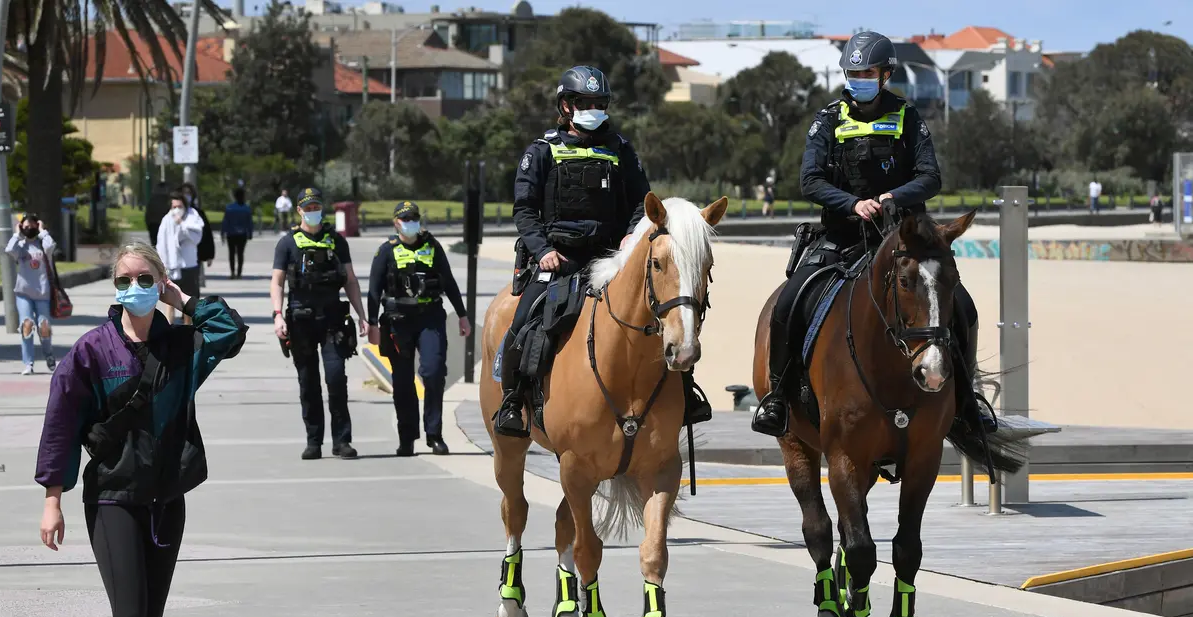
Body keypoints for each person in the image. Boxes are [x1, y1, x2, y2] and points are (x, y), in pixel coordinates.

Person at [751, 30, 993, 442]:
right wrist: (851, 203)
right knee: (788, 302)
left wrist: (892, 196)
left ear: (885, 75)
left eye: (867, 71)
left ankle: (967, 403)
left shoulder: (908, 116)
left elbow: (930, 177)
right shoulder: (827, 119)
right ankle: (777, 397)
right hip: (842, 237)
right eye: (853, 71)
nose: (858, 77)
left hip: (905, 239)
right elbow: (809, 180)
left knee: (964, 307)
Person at [35, 242, 247, 617]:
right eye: (124, 281)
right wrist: (53, 499)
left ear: (161, 282)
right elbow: (61, 424)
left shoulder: (180, 344)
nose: (135, 288)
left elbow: (230, 332)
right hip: (113, 496)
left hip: (166, 500)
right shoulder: (93, 349)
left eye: (145, 280)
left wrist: (183, 301)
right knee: (129, 614)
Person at [491, 65, 712, 437]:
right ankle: (513, 401)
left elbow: (643, 204)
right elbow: (524, 209)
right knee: (524, 322)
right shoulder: (542, 151)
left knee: (668, 312)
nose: (594, 108)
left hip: (612, 257)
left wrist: (629, 239)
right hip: (558, 259)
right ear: (565, 106)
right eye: (585, 102)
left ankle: (684, 394)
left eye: (600, 103)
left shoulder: (620, 149)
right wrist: (542, 249)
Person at [271, 187, 370, 460]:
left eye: (317, 207)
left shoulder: (337, 242)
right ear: (299, 211)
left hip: (333, 320)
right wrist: (277, 314)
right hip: (300, 321)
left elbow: (350, 280)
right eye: (308, 208)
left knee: (336, 379)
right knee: (308, 383)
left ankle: (342, 441)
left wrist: (363, 315)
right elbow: (277, 281)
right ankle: (313, 441)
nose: (313, 212)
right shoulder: (288, 243)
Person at [367, 201, 472, 456]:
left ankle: (434, 434)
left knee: (434, 373)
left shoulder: (432, 247)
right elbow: (373, 290)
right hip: (397, 321)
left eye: (414, 218)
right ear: (396, 223)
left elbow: (449, 282)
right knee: (402, 382)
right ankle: (407, 437)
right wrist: (371, 324)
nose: (411, 222)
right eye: (405, 219)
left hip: (430, 318)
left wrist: (462, 315)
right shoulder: (386, 251)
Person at [6, 213, 57, 375]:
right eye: (26, 226)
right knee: (26, 326)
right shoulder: (20, 246)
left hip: (42, 292)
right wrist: (17, 233)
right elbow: (9, 250)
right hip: (23, 293)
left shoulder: (43, 244)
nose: (29, 229)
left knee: (44, 327)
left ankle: (48, 355)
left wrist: (42, 230)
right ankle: (28, 363)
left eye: (32, 226)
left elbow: (51, 247)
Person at [155, 191, 205, 325]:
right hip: (171, 265)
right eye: (174, 206)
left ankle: (187, 327)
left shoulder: (192, 216)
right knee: (169, 299)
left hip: (188, 265)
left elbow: (196, 237)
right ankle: (169, 326)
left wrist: (182, 224)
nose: (177, 210)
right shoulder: (167, 219)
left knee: (187, 300)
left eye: (179, 206)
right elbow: (161, 242)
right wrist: (161, 263)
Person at [181, 182, 216, 270]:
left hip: (196, 255)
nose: (186, 196)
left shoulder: (198, 214)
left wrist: (209, 255)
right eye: (184, 193)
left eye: (189, 193)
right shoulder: (172, 214)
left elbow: (207, 234)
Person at [221, 187, 254, 279]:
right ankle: (239, 273)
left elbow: (225, 221)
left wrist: (223, 233)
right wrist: (250, 233)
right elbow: (249, 222)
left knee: (231, 253)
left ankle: (232, 272)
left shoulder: (229, 208)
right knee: (240, 253)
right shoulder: (246, 208)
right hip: (242, 234)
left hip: (231, 233)